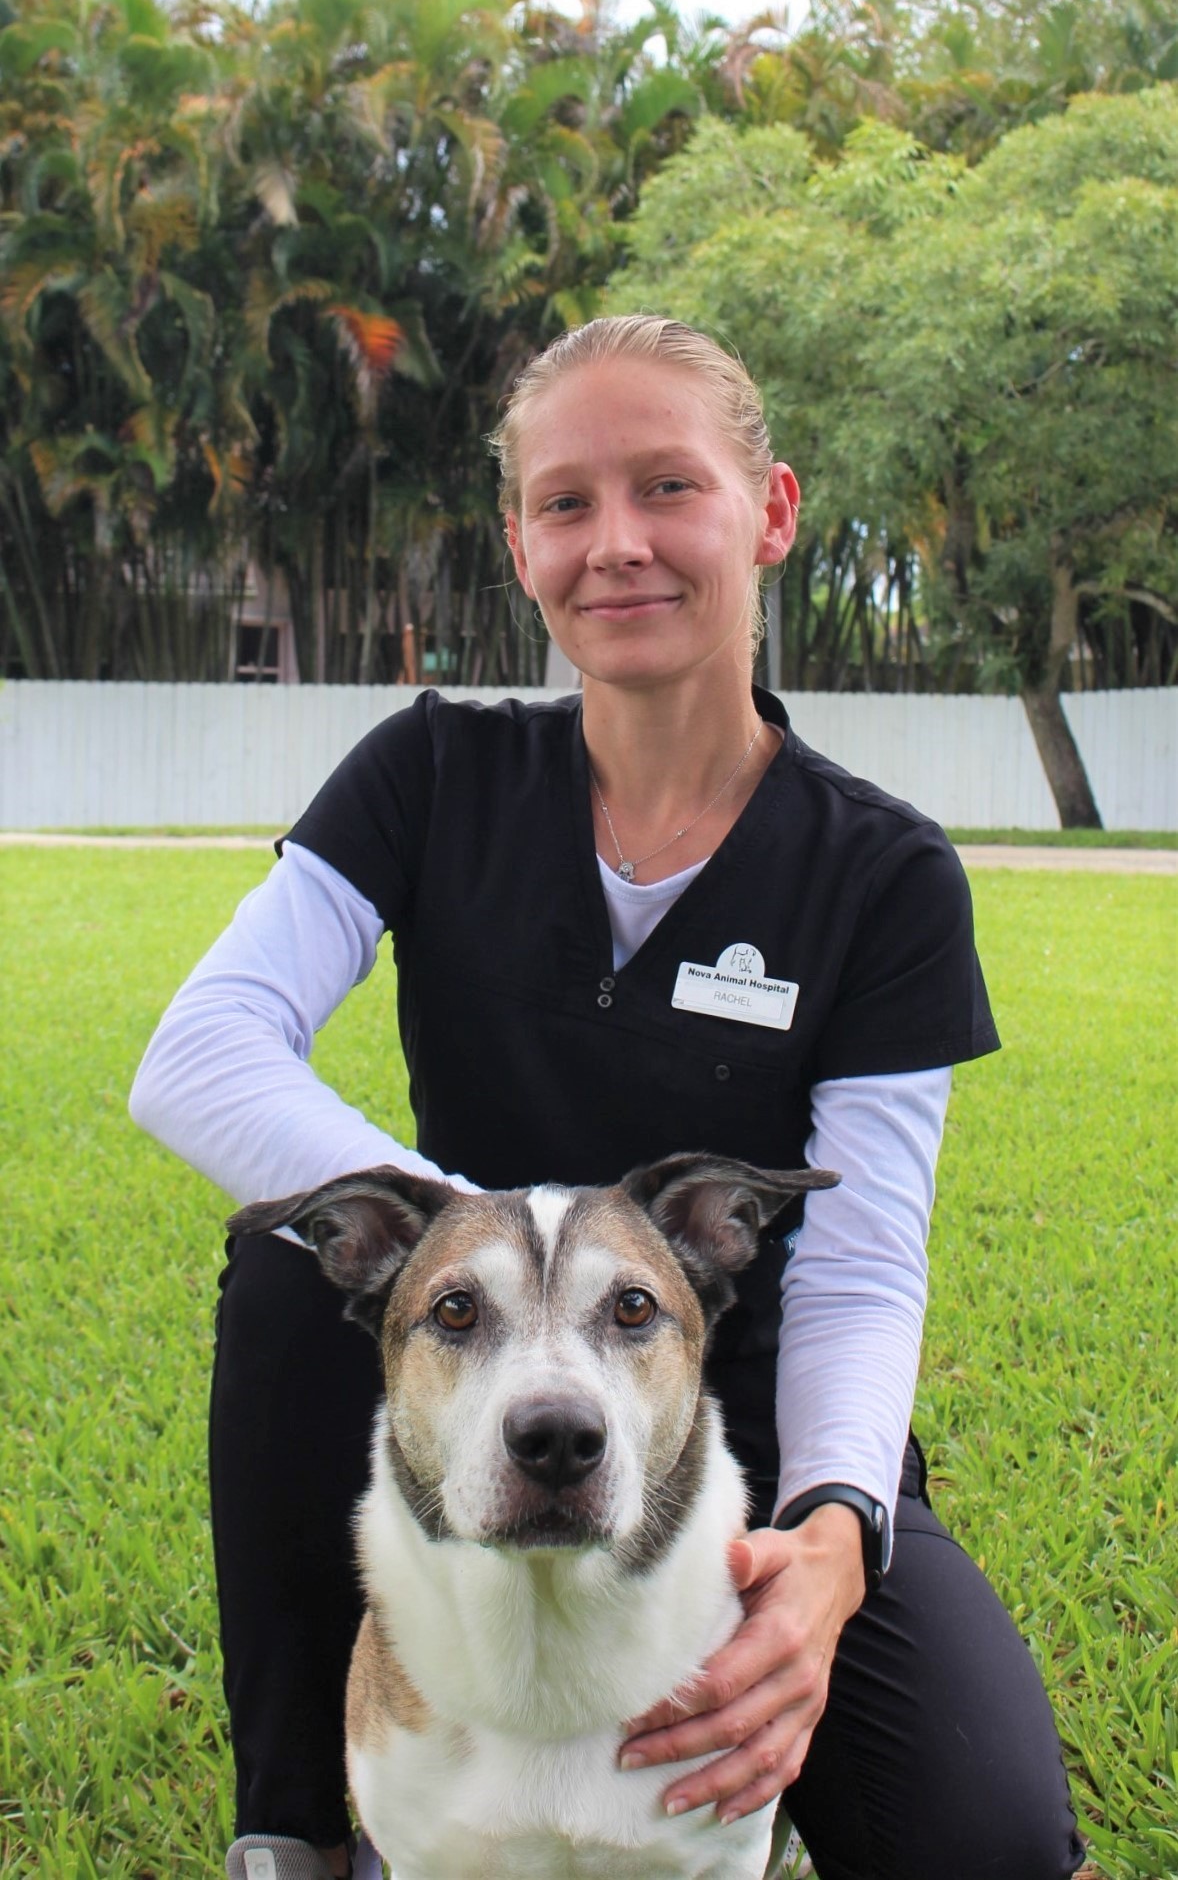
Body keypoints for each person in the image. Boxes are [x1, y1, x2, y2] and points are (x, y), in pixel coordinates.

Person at [131, 315, 1086, 1880]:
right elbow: (203, 1051)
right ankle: (300, 1825)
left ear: (767, 511)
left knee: (981, 1842)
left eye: (667, 488)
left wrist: (832, 1543)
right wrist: (459, 1257)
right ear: (518, 545)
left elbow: (853, 1261)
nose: (617, 545)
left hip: (752, 1416)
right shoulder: (428, 773)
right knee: (289, 1257)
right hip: (474, 1382)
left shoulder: (882, 871)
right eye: (566, 504)